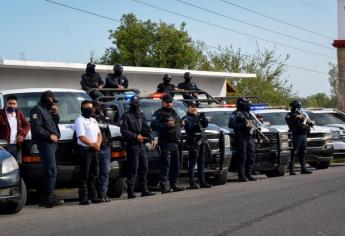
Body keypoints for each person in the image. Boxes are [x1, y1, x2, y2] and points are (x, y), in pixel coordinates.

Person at [30, 91, 64, 207]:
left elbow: (53, 124)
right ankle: (48, 197)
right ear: (47, 99)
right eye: (52, 101)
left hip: (53, 144)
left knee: (53, 170)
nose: (53, 104)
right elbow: (36, 128)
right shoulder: (37, 110)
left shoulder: (48, 110)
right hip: (45, 143)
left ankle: (46, 196)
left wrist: (55, 114)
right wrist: (49, 135)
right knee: (51, 170)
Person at [120, 96, 155, 199]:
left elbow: (146, 127)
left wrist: (150, 137)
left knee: (144, 167)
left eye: (137, 103)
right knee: (133, 168)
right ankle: (130, 192)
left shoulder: (141, 114)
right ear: (130, 103)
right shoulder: (126, 116)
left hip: (142, 145)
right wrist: (135, 136)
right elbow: (124, 130)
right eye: (134, 102)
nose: (135, 104)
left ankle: (144, 189)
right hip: (132, 145)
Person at [151, 94, 185, 193]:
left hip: (175, 143)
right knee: (165, 165)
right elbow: (154, 125)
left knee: (176, 165)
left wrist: (181, 123)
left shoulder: (174, 112)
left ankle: (174, 184)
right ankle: (164, 187)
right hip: (166, 143)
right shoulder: (159, 113)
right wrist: (165, 124)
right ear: (163, 103)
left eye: (170, 102)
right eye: (167, 102)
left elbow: (177, 123)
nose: (169, 104)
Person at [75, 100, 104, 205]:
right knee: (85, 174)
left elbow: (99, 134)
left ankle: (94, 196)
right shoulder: (80, 120)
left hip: (94, 150)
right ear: (83, 109)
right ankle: (83, 197)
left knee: (94, 174)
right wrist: (93, 144)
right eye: (88, 108)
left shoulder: (93, 120)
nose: (91, 109)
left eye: (92, 107)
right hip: (85, 150)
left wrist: (98, 144)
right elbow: (81, 137)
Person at [183, 100, 211, 189]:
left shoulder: (197, 116)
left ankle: (202, 181)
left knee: (201, 162)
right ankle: (192, 183)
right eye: (192, 106)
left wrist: (203, 118)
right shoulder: (186, 118)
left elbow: (205, 125)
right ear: (188, 107)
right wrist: (197, 119)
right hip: (193, 142)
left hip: (201, 141)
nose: (194, 108)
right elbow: (190, 127)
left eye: (195, 106)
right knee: (193, 162)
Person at [228, 97, 257, 182]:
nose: (246, 105)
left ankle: (248, 174)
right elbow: (231, 125)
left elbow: (254, 124)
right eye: (245, 103)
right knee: (242, 157)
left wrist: (256, 130)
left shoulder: (248, 113)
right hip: (241, 138)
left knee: (251, 156)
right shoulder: (235, 113)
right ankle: (241, 176)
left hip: (249, 137)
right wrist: (243, 125)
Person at [285, 100, 313, 175]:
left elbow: (307, 122)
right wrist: (296, 118)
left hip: (303, 135)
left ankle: (303, 168)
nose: (298, 108)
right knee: (294, 152)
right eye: (297, 106)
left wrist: (310, 122)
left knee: (303, 152)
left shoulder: (302, 114)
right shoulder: (289, 115)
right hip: (296, 135)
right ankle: (292, 170)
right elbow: (290, 124)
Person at [92, 101, 112, 202]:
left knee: (105, 172)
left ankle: (103, 194)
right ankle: (95, 195)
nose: (97, 108)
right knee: (95, 173)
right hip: (94, 148)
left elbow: (108, 132)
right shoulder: (88, 120)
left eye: (97, 107)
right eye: (95, 107)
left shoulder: (102, 118)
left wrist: (108, 143)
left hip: (105, 148)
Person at [0, 95, 30, 160]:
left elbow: (26, 125)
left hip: (15, 145)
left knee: (14, 164)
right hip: (3, 146)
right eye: (10, 104)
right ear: (6, 103)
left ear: (17, 104)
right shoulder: (1, 114)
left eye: (14, 104)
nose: (12, 106)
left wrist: (21, 135)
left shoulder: (19, 114)